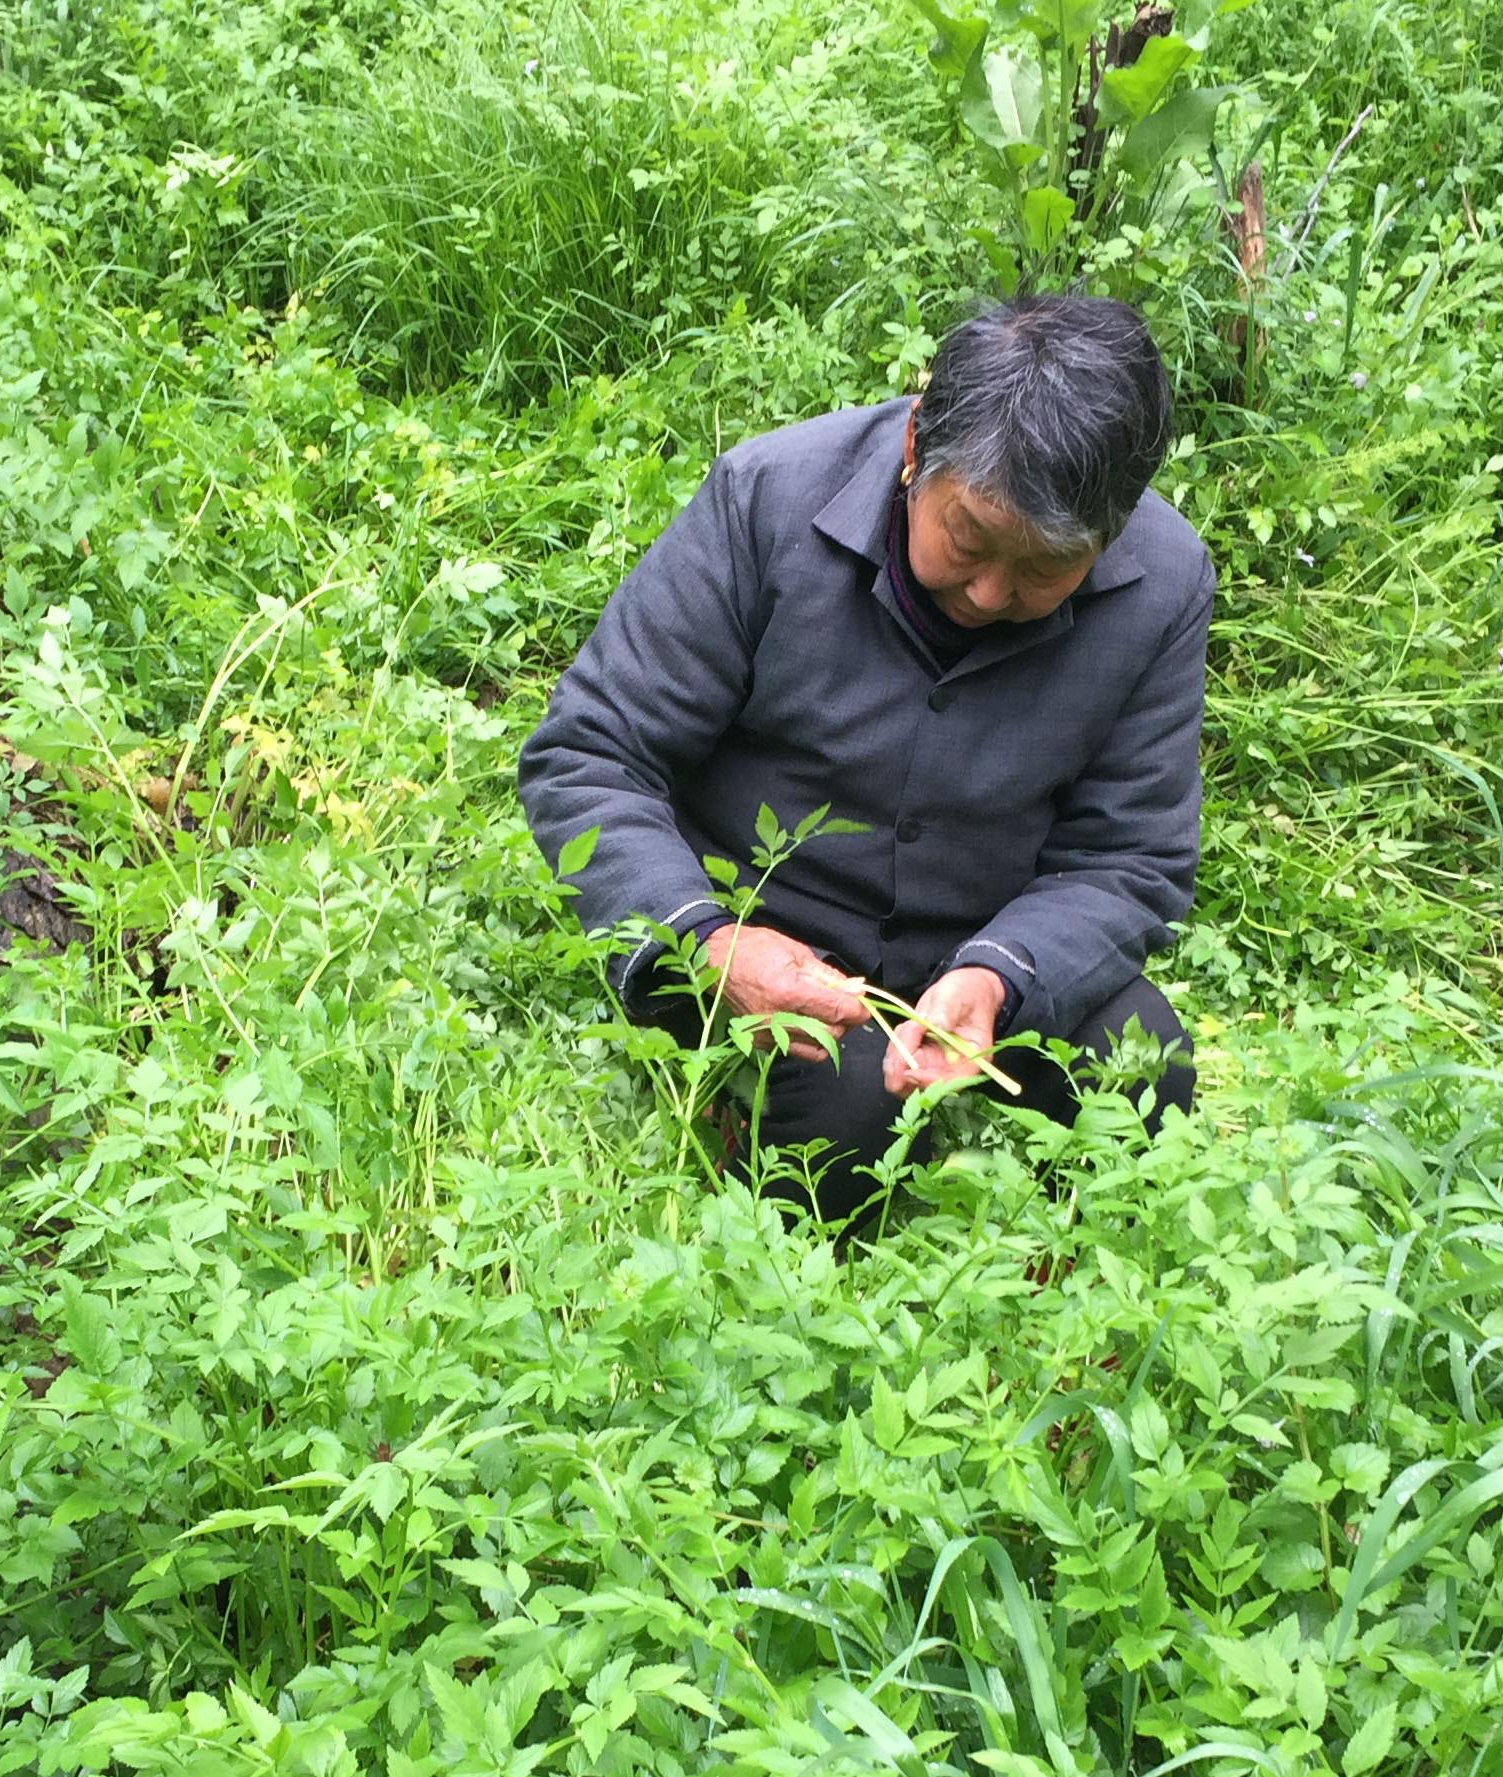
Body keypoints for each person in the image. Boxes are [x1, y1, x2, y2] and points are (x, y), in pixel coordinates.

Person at [517, 293, 1211, 1221]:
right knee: (840, 1127)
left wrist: (1001, 976)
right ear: (918, 448)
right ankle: (739, 1112)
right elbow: (589, 752)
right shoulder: (767, 498)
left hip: (985, 940)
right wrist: (708, 943)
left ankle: (1066, 1285)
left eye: (1046, 567)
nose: (990, 591)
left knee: (1144, 1058)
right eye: (968, 539)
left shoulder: (1162, 584)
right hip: (770, 935)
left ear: (1114, 531)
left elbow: (1130, 858)